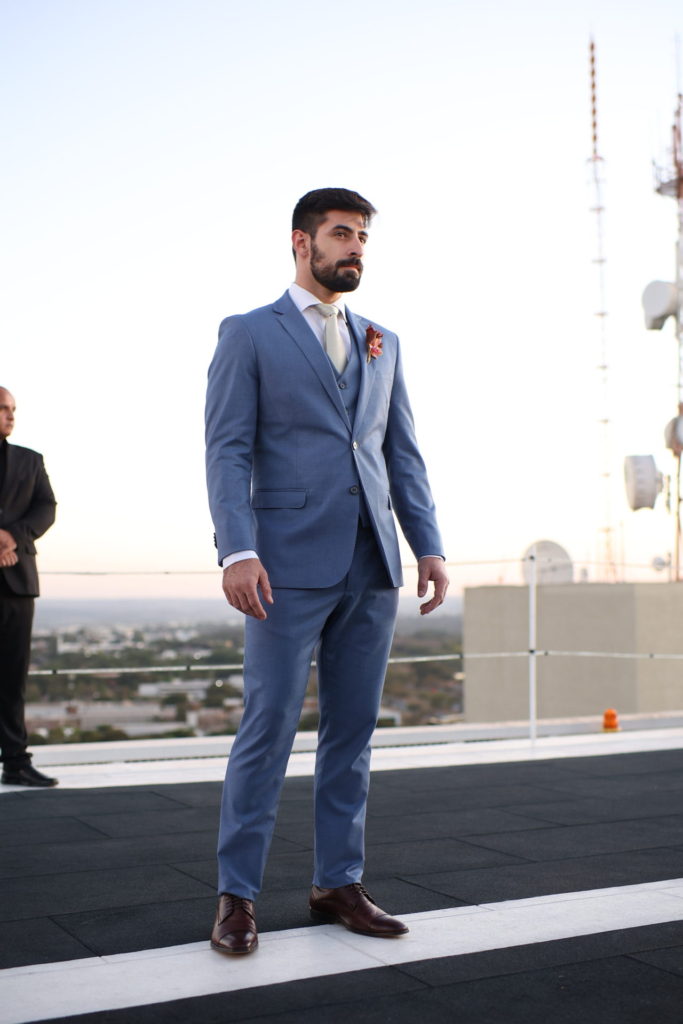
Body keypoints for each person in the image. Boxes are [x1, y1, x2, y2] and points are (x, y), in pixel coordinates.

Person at [205, 187, 448, 955]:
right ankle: (237, 896)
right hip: (281, 566)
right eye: (341, 233)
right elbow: (227, 449)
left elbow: (400, 453)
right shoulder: (249, 332)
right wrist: (237, 549)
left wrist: (427, 545)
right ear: (300, 242)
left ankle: (337, 883)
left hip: (371, 561)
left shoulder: (382, 340)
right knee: (268, 725)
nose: (355, 247)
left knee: (353, 730)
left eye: (362, 236)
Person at [0, 387, 58, 787]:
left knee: (11, 678)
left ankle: (16, 763)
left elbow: (46, 507)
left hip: (16, 582)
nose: (11, 415)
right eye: (3, 408)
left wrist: (11, 537)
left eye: (13, 409)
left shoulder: (30, 460)